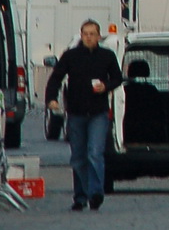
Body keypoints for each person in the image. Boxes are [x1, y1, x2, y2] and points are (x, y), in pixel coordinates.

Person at [45, 19, 123, 212]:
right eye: (85, 33)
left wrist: (106, 86)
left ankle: (95, 193)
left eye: (92, 34)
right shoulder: (71, 56)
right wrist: (51, 99)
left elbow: (118, 78)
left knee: (95, 153)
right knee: (78, 157)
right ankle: (80, 196)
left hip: (98, 113)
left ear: (98, 36)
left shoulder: (107, 55)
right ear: (81, 35)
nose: (88, 37)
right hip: (76, 113)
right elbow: (56, 77)